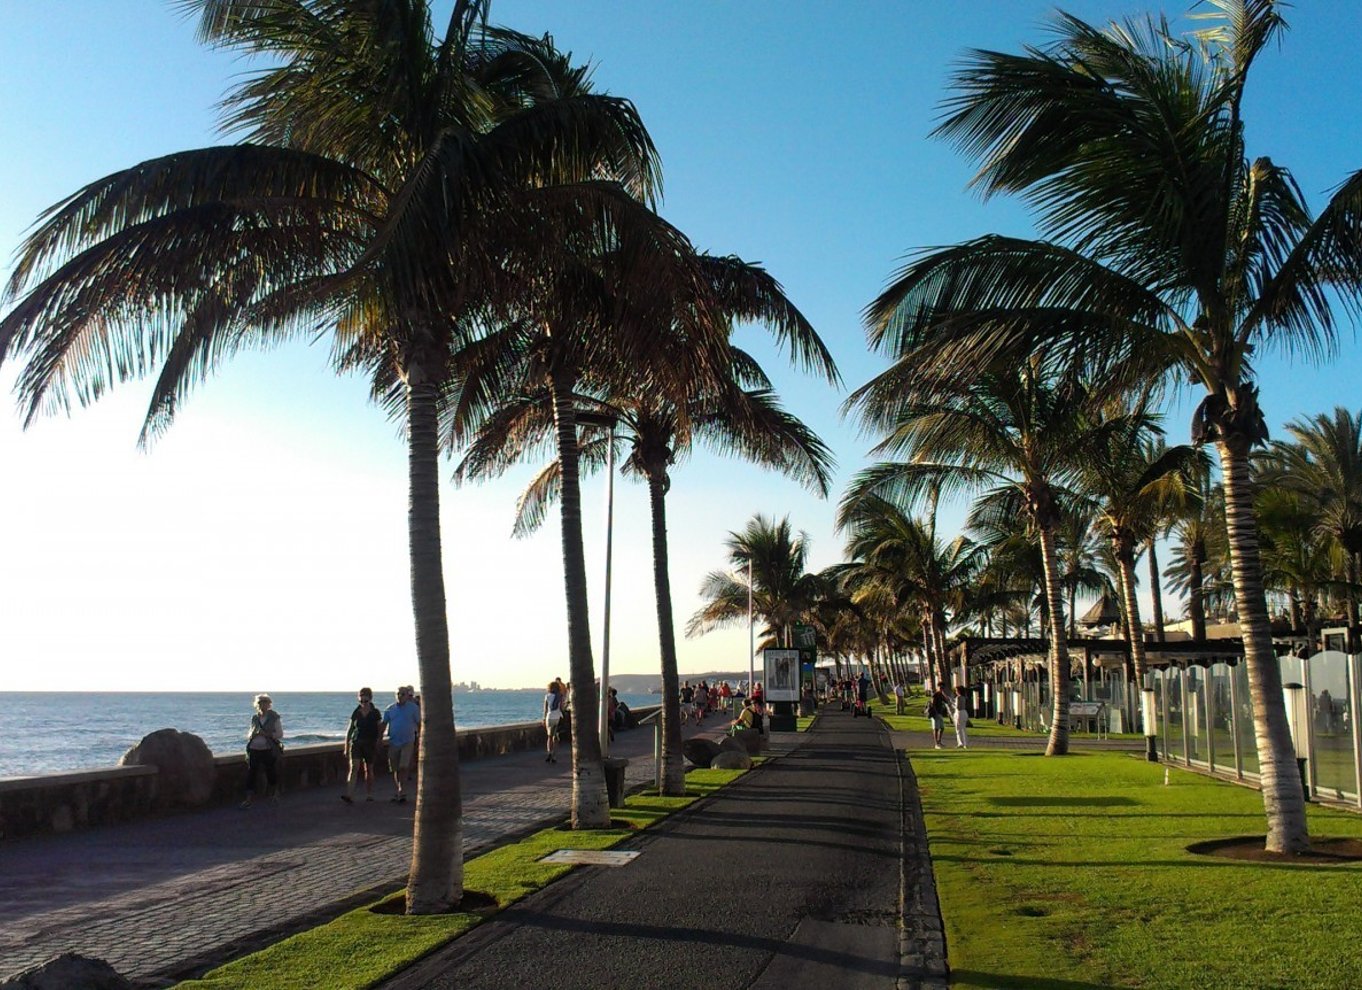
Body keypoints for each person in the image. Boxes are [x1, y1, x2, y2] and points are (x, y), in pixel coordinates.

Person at [241, 693, 283, 808]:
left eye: (265, 702)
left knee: (271, 772)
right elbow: (249, 733)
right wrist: (253, 734)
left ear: (269, 704)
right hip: (254, 749)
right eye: (260, 702)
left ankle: (275, 794)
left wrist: (267, 734)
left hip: (267, 749)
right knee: (251, 774)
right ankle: (248, 799)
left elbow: (279, 734)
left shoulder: (274, 717)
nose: (262, 705)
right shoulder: (255, 718)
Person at [342, 687, 382, 803]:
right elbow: (350, 730)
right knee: (354, 767)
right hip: (357, 742)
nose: (363, 703)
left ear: (370, 699)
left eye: (365, 701)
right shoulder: (356, 712)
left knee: (369, 769)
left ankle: (369, 793)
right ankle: (349, 794)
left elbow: (379, 729)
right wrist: (346, 746)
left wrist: (379, 740)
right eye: (361, 701)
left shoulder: (375, 712)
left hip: (370, 743)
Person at [382, 686, 420, 803]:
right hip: (394, 741)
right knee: (396, 768)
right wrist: (379, 739)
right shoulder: (390, 709)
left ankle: (402, 791)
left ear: (407, 695)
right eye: (398, 694)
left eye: (403, 694)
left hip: (408, 741)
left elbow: (419, 723)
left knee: (403, 766)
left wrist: (420, 738)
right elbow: (384, 724)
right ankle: (399, 788)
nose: (400, 696)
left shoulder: (413, 708)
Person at [543, 681, 564, 763]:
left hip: (549, 717)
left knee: (549, 737)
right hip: (557, 717)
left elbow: (545, 709)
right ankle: (554, 755)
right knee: (555, 737)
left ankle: (549, 753)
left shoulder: (547, 696)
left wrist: (544, 719)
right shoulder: (560, 696)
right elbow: (561, 707)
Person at [952, 684, 971, 749]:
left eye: (956, 690)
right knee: (963, 729)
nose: (956, 692)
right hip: (964, 712)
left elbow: (957, 707)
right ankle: (965, 743)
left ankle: (961, 743)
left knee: (958, 729)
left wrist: (952, 704)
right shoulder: (964, 697)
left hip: (959, 713)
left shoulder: (958, 698)